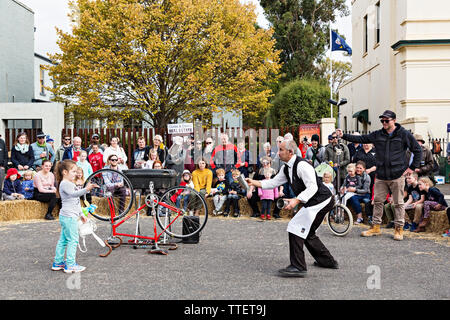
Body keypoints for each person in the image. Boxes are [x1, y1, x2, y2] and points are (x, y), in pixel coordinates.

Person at [246, 139, 338, 277]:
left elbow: (313, 187)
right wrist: (254, 182)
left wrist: (296, 200)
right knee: (307, 232)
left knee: (295, 227)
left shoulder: (302, 166)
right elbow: (274, 182)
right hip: (315, 200)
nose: (278, 152)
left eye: (281, 149)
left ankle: (298, 266)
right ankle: (328, 261)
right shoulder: (286, 167)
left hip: (321, 200)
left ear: (290, 152)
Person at [336, 109, 422, 241]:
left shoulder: (403, 134)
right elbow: (361, 138)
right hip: (381, 175)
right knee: (377, 202)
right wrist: (343, 136)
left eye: (386, 120)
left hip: (397, 175)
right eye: (382, 120)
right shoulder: (378, 134)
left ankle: (399, 229)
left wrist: (412, 168)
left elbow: (417, 149)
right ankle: (376, 227)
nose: (384, 122)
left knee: (398, 203)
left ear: (394, 121)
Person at [51, 159, 98, 273]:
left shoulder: (69, 183)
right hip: (69, 217)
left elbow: (75, 200)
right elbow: (74, 194)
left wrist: (81, 214)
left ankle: (58, 262)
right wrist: (86, 189)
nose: (76, 173)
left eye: (76, 171)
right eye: (73, 171)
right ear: (65, 172)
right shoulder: (65, 183)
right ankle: (70, 264)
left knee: (64, 239)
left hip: (68, 216)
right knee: (73, 240)